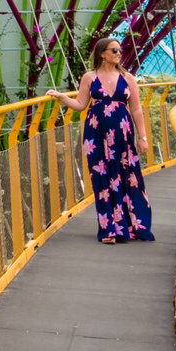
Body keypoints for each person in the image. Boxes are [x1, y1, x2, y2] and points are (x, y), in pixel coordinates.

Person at [47, 37, 155, 244]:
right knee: (102, 178)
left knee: (127, 176)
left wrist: (143, 137)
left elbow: (136, 109)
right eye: (114, 50)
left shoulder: (128, 78)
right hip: (95, 136)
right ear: (102, 53)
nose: (119, 53)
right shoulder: (90, 77)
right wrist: (61, 97)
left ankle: (132, 225)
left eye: (119, 50)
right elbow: (80, 104)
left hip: (122, 137)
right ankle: (109, 229)